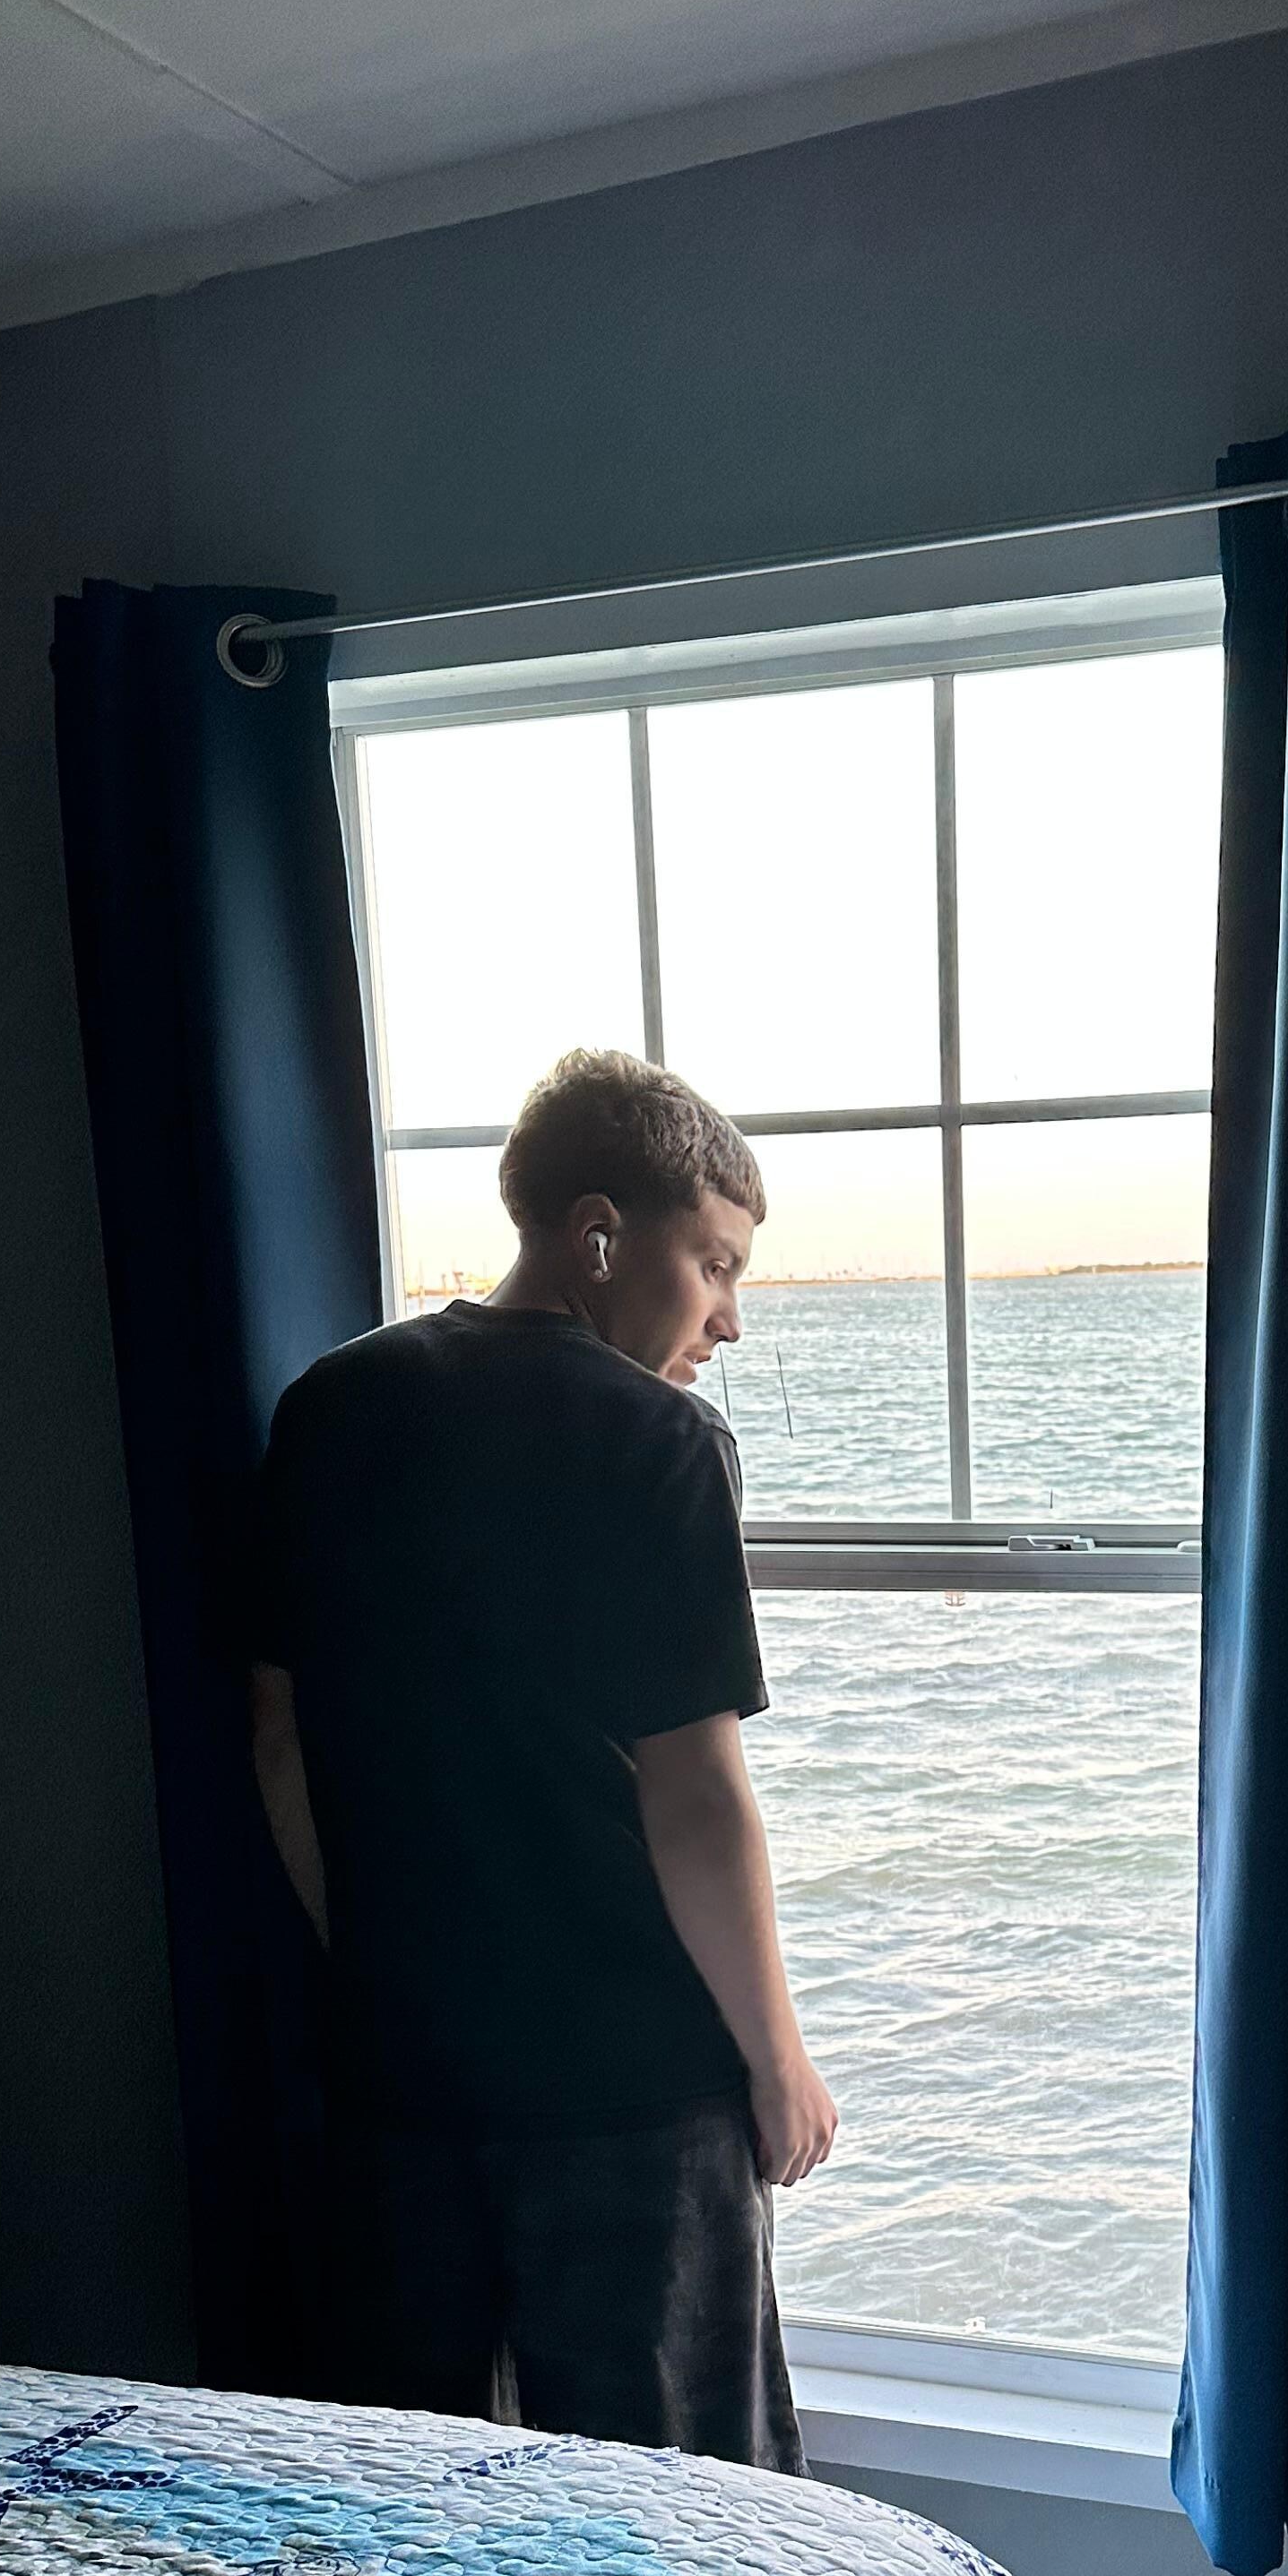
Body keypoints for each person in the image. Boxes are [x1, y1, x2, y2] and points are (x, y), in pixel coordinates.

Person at [248, 1047, 836, 2467]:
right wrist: (779, 2063)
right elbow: (695, 1800)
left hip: (398, 2082)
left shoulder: (329, 1406)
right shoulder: (660, 1439)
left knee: (416, 2501)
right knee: (680, 2509)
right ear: (599, 1235)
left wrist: (375, 1966)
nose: (729, 1319)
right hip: (633, 2094)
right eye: (713, 1265)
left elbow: (277, 1741)